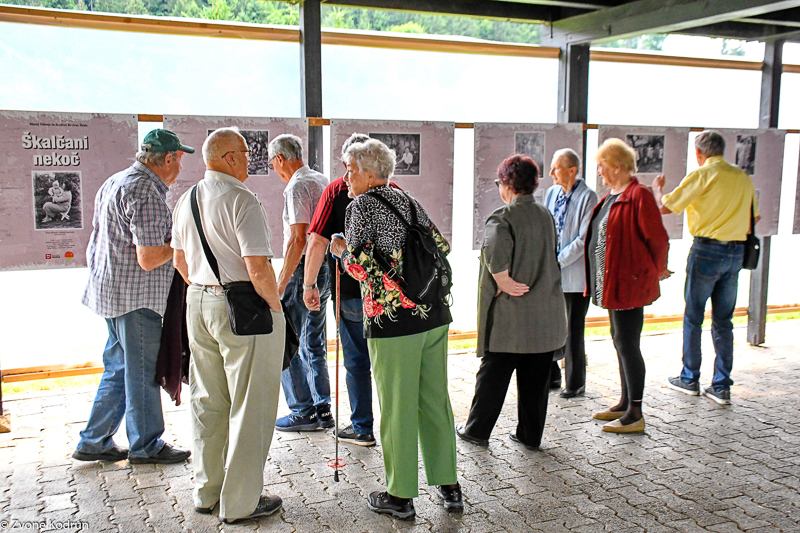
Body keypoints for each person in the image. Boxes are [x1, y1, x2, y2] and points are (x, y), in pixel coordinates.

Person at [329, 139, 461, 520]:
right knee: (434, 400)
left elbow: (362, 269)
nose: (346, 178)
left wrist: (340, 251)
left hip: (393, 322)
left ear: (371, 173)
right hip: (432, 314)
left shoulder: (360, 207)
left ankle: (400, 496)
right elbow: (441, 245)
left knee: (397, 406)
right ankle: (449, 485)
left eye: (351, 170)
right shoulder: (408, 200)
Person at [172, 127, 285, 523]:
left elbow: (180, 262)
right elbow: (258, 268)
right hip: (241, 307)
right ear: (229, 157)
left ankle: (207, 493)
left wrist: (207, 290)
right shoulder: (242, 200)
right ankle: (239, 504)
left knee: (207, 400)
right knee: (251, 405)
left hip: (197, 302)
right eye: (245, 152)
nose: (249, 159)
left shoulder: (186, 198)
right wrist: (276, 309)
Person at [74, 129, 193, 464]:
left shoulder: (117, 180)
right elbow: (149, 257)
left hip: (111, 292)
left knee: (119, 367)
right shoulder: (145, 191)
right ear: (168, 159)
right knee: (141, 373)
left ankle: (94, 440)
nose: (180, 166)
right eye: (179, 159)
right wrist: (184, 240)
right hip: (135, 298)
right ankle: (146, 445)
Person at [457, 154, 567, 451]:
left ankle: (476, 430)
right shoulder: (544, 214)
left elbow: (497, 263)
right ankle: (530, 436)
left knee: (493, 375)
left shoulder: (502, 217)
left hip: (511, 316)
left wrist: (502, 281)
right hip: (545, 314)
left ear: (507, 183)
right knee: (536, 380)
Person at [653, 130, 759, 405]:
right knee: (724, 320)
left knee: (694, 316)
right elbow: (755, 217)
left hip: (706, 251)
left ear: (699, 153)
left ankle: (689, 378)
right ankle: (721, 386)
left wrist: (657, 189)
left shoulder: (701, 175)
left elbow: (666, 207)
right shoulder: (742, 177)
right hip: (736, 252)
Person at [586, 139, 670, 434]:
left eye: (601, 166)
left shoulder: (639, 194)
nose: (599, 172)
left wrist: (659, 269)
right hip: (612, 282)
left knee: (628, 343)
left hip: (629, 283)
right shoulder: (613, 195)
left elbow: (657, 237)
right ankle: (624, 403)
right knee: (619, 339)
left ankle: (635, 412)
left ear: (617, 166)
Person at [303, 133, 376, 446]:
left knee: (357, 360)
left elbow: (318, 240)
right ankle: (395, 426)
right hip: (386, 292)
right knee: (386, 361)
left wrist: (309, 284)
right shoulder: (394, 190)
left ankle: (362, 427)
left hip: (350, 290)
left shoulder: (336, 190)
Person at [268, 134, 332, 431]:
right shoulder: (321, 179)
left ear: (280, 159)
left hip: (302, 269)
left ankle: (302, 409)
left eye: (273, 163)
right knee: (313, 340)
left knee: (285, 337)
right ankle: (322, 407)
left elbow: (298, 238)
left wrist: (281, 282)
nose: (274, 169)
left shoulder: (296, 186)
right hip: (325, 265)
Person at [544, 149, 598, 398]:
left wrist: (558, 260)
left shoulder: (588, 196)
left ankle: (575, 383)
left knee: (573, 330)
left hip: (575, 276)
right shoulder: (552, 192)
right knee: (549, 325)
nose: (551, 173)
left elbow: (584, 239)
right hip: (551, 272)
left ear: (572, 170)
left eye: (556, 167)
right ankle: (552, 376)